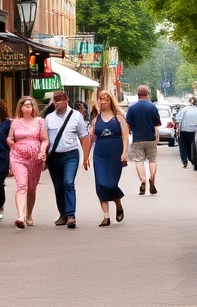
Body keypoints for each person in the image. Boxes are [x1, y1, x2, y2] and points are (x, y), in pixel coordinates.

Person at [43, 90, 90, 229]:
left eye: (59, 101)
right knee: (58, 186)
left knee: (68, 182)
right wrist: (44, 157)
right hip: (54, 156)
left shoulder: (76, 116)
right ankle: (62, 214)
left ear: (66, 101)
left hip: (70, 154)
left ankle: (71, 215)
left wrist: (86, 157)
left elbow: (84, 136)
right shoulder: (49, 118)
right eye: (55, 101)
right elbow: (45, 139)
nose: (56, 103)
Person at [85, 90, 129, 227]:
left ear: (110, 101)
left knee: (110, 183)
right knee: (100, 183)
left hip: (115, 152)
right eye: (100, 99)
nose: (103, 101)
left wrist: (125, 152)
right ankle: (106, 216)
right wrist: (86, 157)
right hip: (100, 152)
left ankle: (117, 202)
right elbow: (91, 138)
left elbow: (125, 136)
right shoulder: (96, 118)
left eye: (106, 99)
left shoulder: (118, 117)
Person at [7, 95, 48, 229]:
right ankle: (21, 216)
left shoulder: (39, 121)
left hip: (35, 158)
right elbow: (10, 138)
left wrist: (42, 151)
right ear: (21, 107)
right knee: (22, 185)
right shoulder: (16, 122)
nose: (27, 107)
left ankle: (29, 214)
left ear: (33, 108)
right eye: (25, 105)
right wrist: (11, 143)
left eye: (30, 105)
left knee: (31, 187)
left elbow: (44, 139)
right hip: (18, 157)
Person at [125, 85, 161, 195]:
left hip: (137, 139)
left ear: (137, 94)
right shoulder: (152, 107)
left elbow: (128, 124)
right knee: (152, 160)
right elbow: (157, 123)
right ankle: (152, 178)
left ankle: (143, 180)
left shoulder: (132, 108)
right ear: (148, 94)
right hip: (150, 138)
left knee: (139, 161)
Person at [174, 96, 197, 169]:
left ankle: (184, 160)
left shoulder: (183, 110)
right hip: (194, 131)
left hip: (183, 131)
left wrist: (177, 130)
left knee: (182, 145)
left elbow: (177, 120)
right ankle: (191, 159)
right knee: (192, 146)